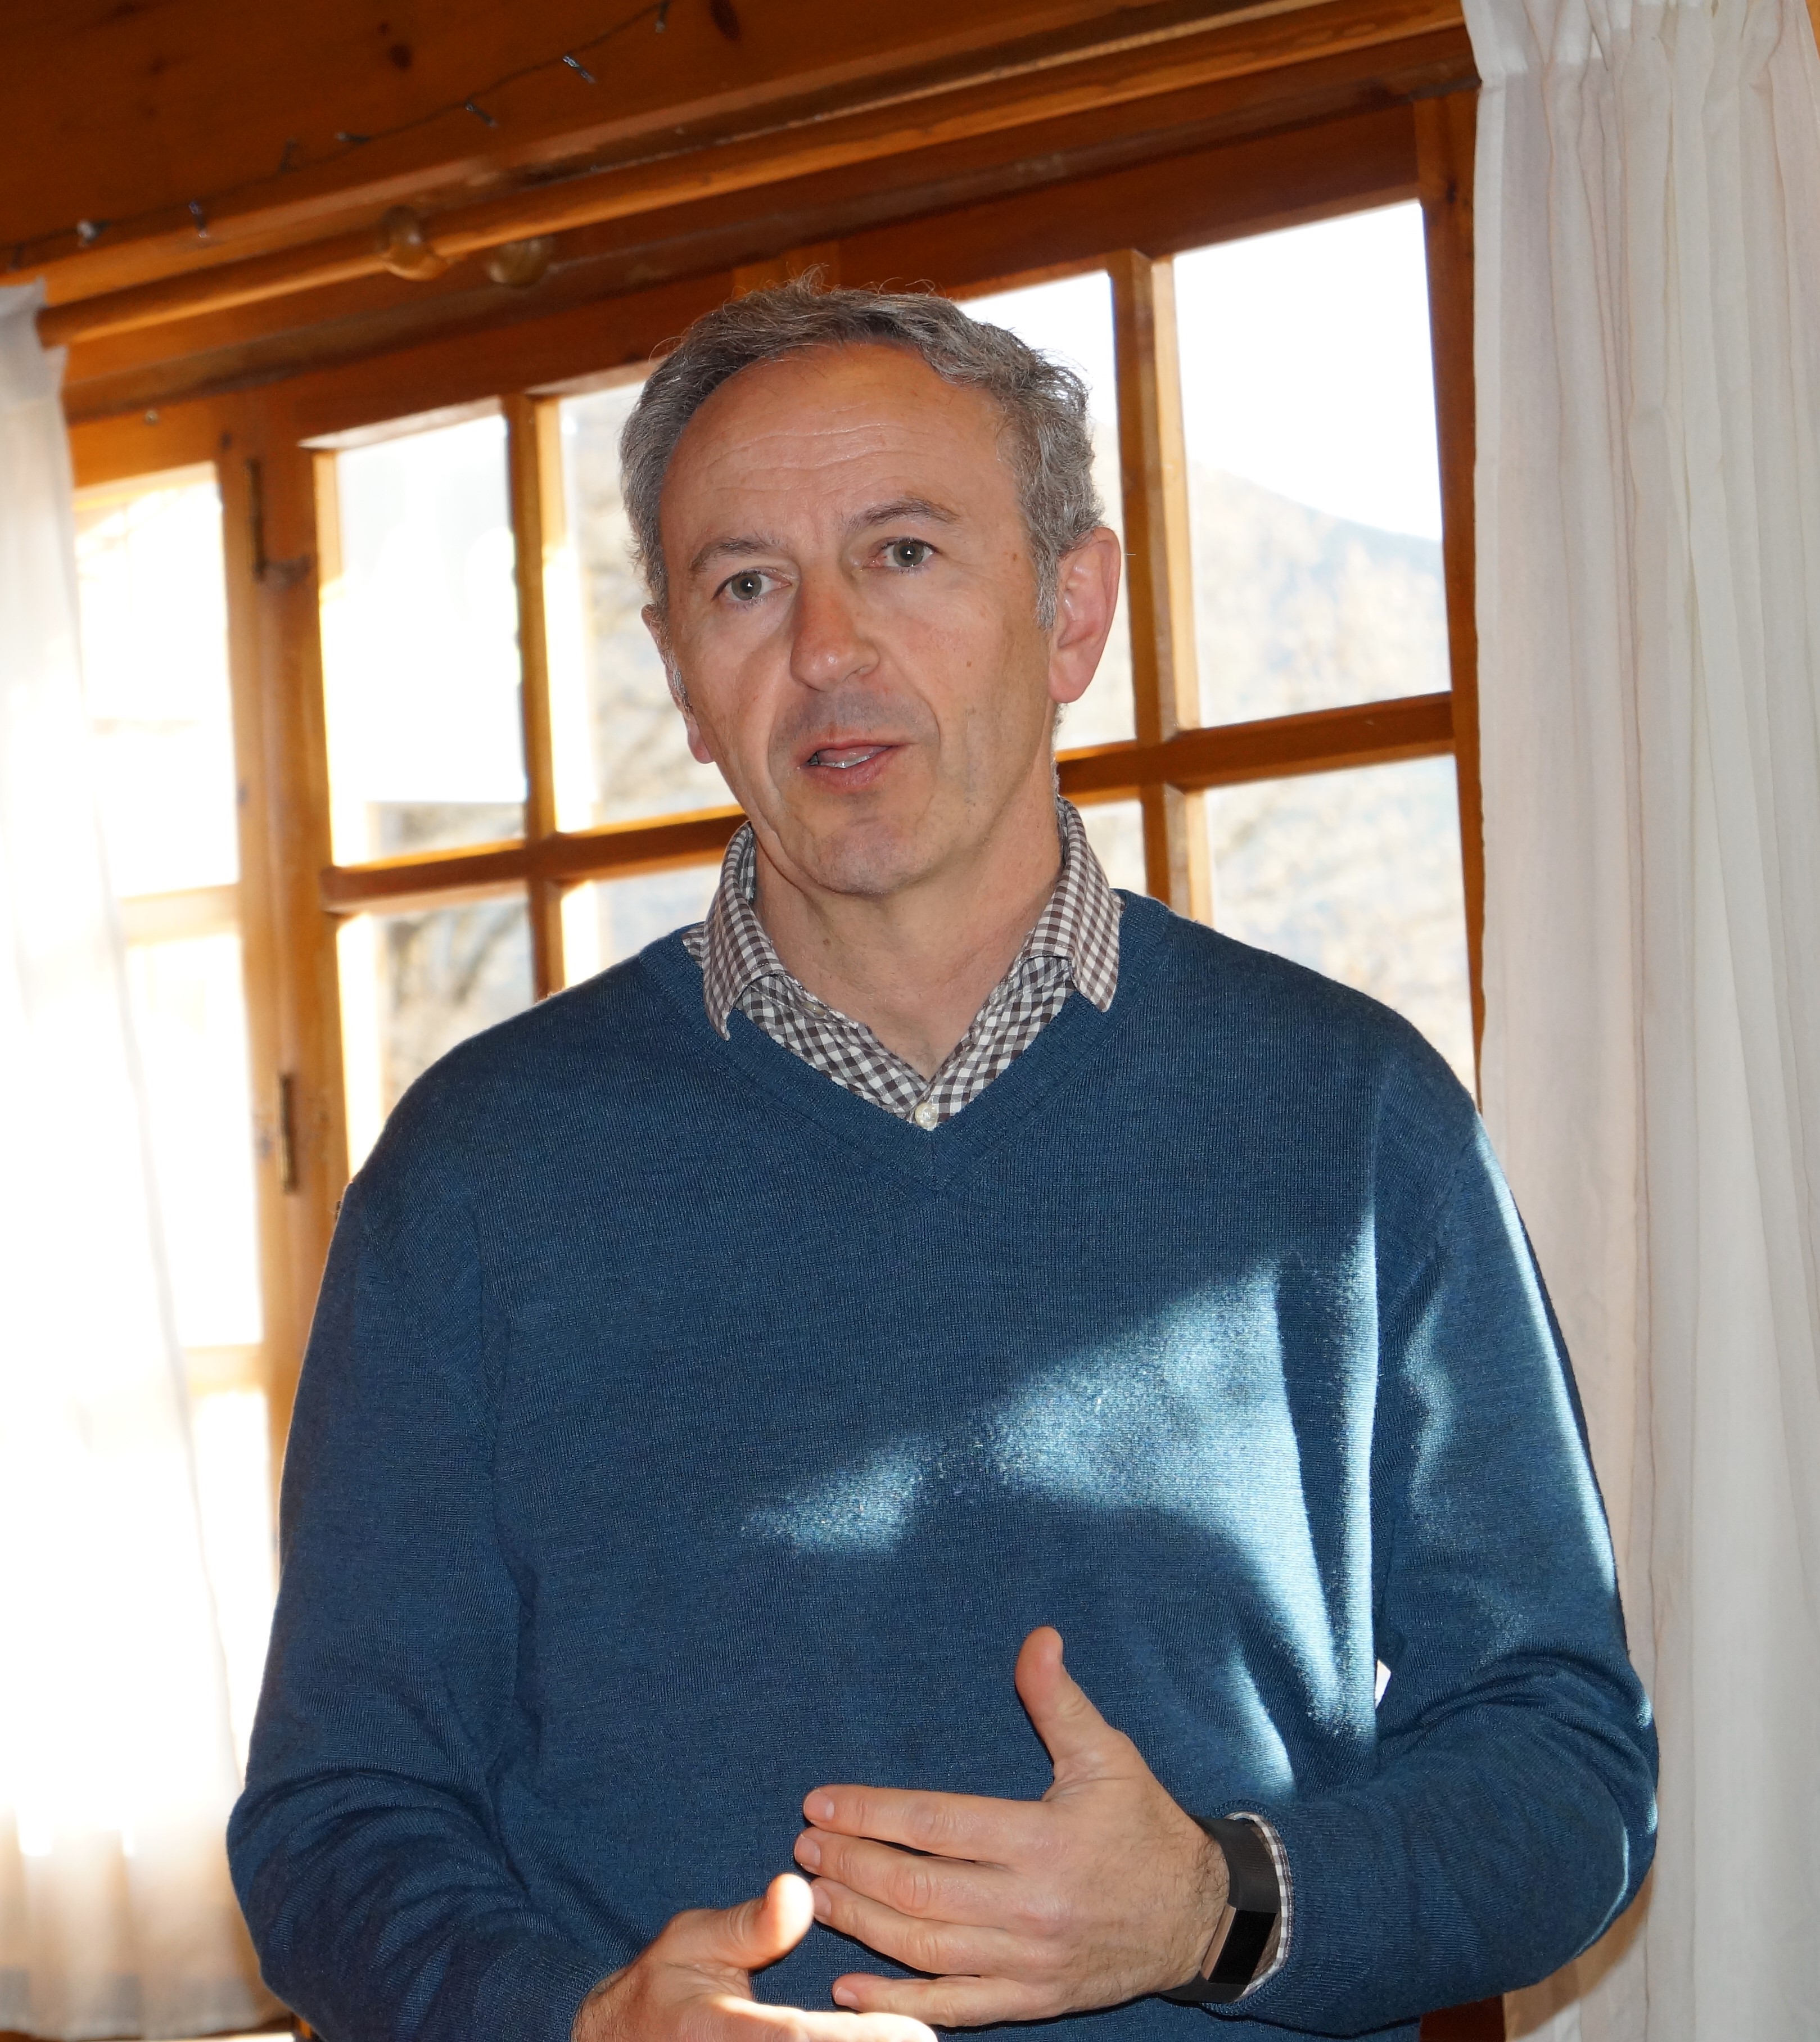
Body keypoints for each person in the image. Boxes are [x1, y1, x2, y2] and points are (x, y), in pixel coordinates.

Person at [228, 279, 1656, 2042]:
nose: (828, 647)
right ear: (681, 678)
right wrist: (581, 2020)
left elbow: (1565, 1767)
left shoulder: (1356, 1117)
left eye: (903, 554)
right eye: (746, 585)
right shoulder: (475, 1177)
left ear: (1073, 612)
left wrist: (1212, 1906)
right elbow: (335, 1822)